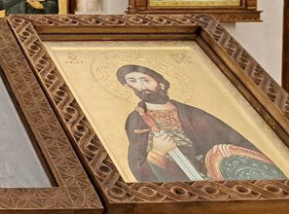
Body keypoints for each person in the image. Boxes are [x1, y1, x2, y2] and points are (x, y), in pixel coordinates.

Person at [117, 65, 285, 182]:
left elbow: (238, 142)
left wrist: (228, 150)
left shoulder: (194, 114)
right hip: (179, 187)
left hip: (218, 175)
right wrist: (157, 153)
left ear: (160, 84)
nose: (141, 86)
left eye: (146, 80)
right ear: (127, 86)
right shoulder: (136, 120)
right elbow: (138, 169)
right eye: (133, 81)